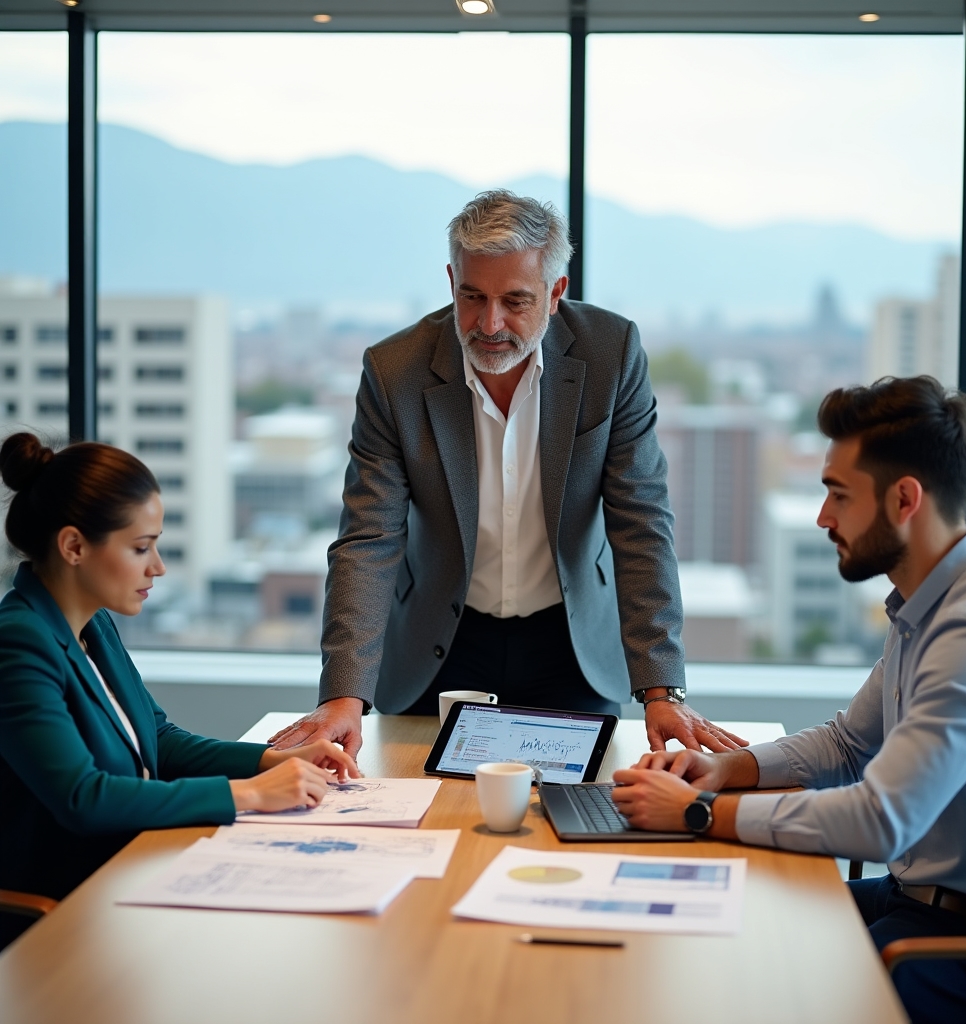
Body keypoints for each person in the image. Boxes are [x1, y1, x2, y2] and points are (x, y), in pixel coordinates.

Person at [272, 190, 746, 759]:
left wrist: (662, 688)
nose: (489, 323)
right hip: (439, 644)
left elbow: (641, 525)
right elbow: (369, 539)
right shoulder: (395, 372)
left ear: (555, 292)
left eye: (515, 300)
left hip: (570, 643)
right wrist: (343, 694)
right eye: (472, 296)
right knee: (418, 803)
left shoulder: (611, 355)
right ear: (452, 281)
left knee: (579, 805)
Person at [611, 376, 966, 1024]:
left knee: (769, 998)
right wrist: (721, 770)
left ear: (905, 499)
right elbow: (849, 744)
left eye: (839, 494)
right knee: (725, 933)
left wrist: (698, 813)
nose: (823, 517)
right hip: (912, 900)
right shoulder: (931, 605)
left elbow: (882, 819)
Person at [0, 433, 358, 950]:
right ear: (74, 546)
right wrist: (250, 794)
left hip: (128, 875)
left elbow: (159, 741)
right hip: (65, 913)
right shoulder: (19, 642)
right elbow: (84, 798)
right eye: (140, 547)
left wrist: (274, 761)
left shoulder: (92, 623)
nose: (158, 566)